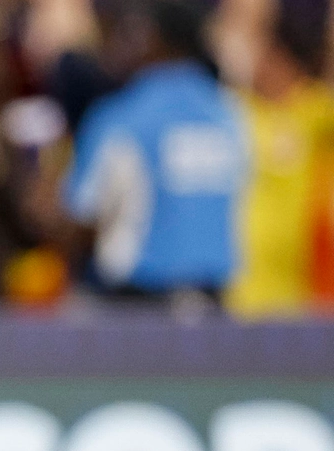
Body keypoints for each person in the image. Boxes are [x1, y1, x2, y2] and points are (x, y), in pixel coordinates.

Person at [59, 0, 245, 304]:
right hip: (215, 300)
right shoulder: (233, 113)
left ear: (154, 38)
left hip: (136, 303)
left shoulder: (122, 116)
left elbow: (82, 213)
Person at [224, 0, 334, 320]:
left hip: (296, 284)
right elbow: (232, 44)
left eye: (271, 59)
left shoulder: (313, 113)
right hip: (240, 283)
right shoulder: (239, 112)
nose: (262, 67)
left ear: (291, 65)